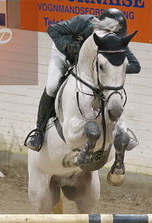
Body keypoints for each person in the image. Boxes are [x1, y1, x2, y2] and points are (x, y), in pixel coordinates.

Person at [25, 8, 141, 151]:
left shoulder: (113, 40)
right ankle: (38, 132)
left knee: (108, 92)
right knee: (52, 86)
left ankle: (121, 131)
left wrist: (111, 71)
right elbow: (52, 29)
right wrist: (67, 45)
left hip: (89, 67)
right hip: (63, 55)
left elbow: (135, 66)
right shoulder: (84, 22)